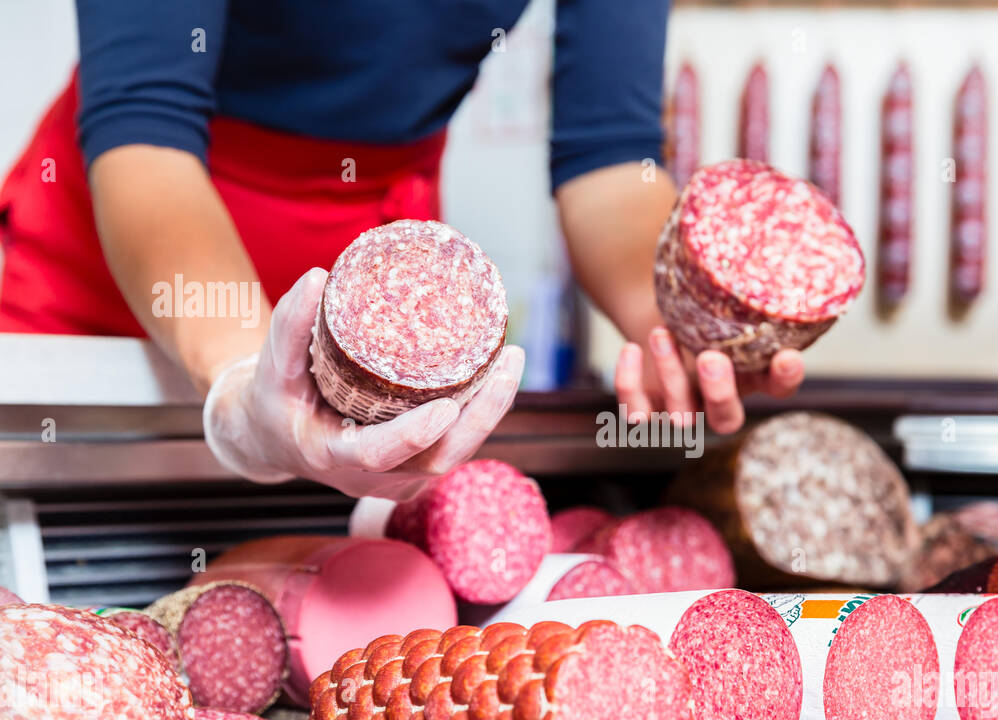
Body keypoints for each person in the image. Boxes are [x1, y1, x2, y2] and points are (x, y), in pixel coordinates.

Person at [0, 2, 805, 499]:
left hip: (379, 278)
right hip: (124, 252)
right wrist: (247, 382)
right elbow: (149, 129)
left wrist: (680, 326)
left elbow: (609, 160)